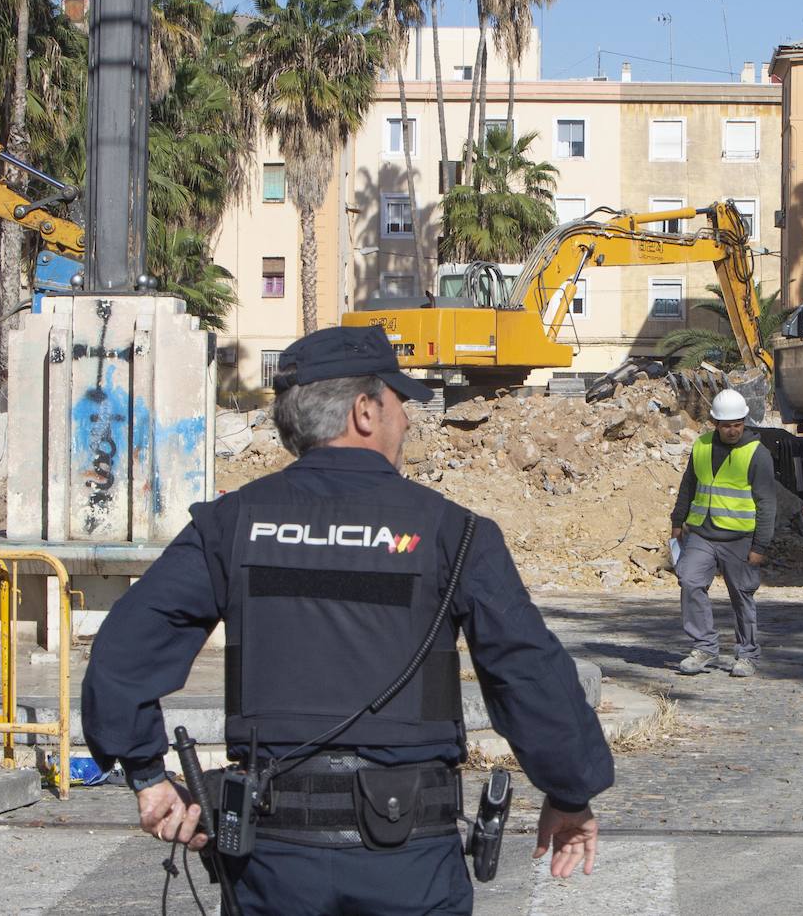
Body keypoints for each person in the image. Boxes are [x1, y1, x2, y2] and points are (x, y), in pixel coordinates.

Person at [82, 325, 614, 915]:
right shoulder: (453, 534)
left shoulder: (231, 525)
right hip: (408, 860)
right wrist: (570, 789)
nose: (406, 421)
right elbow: (526, 669)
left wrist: (146, 773)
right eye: (398, 402)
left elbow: (124, 649)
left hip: (271, 862)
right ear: (365, 410)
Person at [670, 388, 777, 678]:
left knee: (741, 596)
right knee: (689, 580)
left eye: (737, 424)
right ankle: (704, 646)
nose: (732, 430)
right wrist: (678, 521)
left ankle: (747, 654)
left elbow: (767, 502)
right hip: (702, 534)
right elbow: (688, 486)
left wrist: (760, 546)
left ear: (744, 422)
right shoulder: (702, 446)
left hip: (740, 538)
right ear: (715, 423)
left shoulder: (757, 454)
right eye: (726, 425)